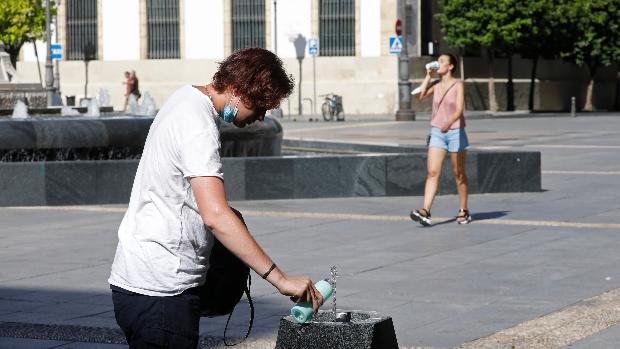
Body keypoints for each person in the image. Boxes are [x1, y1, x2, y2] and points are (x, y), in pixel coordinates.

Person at [108, 48, 324, 348]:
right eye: (261, 106)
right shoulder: (198, 123)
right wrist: (280, 279)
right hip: (162, 293)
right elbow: (216, 215)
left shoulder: (185, 98)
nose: (261, 117)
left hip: (140, 283)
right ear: (238, 89)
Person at [410, 53, 472, 226]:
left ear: (451, 66)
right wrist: (428, 76)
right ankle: (425, 211)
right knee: (432, 172)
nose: (439, 63)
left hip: (455, 131)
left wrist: (449, 122)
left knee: (458, 173)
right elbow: (419, 97)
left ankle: (463, 209)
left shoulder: (458, 84)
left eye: (443, 61)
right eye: (438, 61)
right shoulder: (436, 85)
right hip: (437, 132)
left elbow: (459, 109)